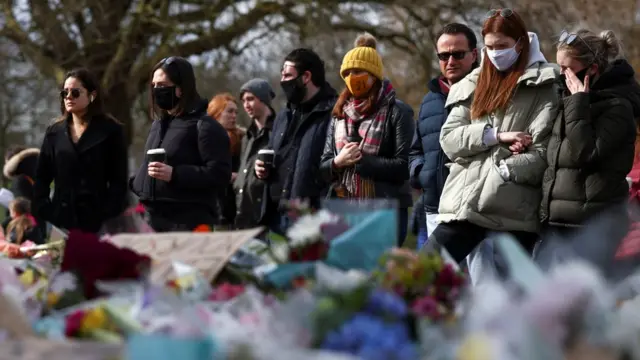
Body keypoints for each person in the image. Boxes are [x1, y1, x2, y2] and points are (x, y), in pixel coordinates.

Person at [428, 9, 559, 262]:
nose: (496, 53)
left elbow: (542, 153)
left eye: (502, 46)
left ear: (520, 43)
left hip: (514, 211)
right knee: (422, 272)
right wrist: (496, 136)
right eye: (489, 46)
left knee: (513, 296)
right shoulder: (473, 82)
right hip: (466, 203)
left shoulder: (545, 86)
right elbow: (450, 139)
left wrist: (504, 171)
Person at [540, 29, 640, 238]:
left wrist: (578, 104)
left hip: (590, 226)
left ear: (592, 69)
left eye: (567, 68)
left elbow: (585, 153)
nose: (561, 74)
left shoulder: (617, 106)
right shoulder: (568, 100)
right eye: (559, 66)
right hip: (556, 223)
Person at [320, 33, 414, 245]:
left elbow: (404, 165)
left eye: (359, 71)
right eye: (348, 73)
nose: (353, 77)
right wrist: (338, 162)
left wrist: (363, 162)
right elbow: (323, 165)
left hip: (385, 211)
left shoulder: (397, 112)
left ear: (374, 75)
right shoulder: (338, 115)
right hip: (343, 209)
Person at [130, 56, 231, 232]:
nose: (156, 91)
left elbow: (220, 175)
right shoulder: (158, 124)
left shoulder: (205, 126)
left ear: (181, 89)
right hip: (150, 220)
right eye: (153, 86)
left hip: (186, 224)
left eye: (162, 85)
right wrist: (136, 183)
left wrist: (176, 174)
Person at [409, 23, 479, 246]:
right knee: (437, 279)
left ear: (474, 54)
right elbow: (415, 150)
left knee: (481, 282)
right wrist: (422, 174)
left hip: (474, 213)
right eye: (444, 55)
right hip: (434, 207)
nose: (450, 61)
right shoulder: (429, 100)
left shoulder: (489, 95)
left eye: (458, 54)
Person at [33, 68, 128, 234]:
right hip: (60, 219)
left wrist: (108, 213)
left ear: (92, 95)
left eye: (75, 92)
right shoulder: (54, 132)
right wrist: (43, 207)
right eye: (65, 93)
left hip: (98, 222)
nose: (69, 97)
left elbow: (118, 181)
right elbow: (42, 176)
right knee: (60, 260)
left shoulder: (110, 131)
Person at [254, 48, 337, 234]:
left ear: (306, 76)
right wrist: (261, 167)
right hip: (275, 215)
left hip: (310, 218)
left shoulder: (333, 113)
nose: (283, 81)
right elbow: (276, 151)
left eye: (288, 75)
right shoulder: (284, 115)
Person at [234, 79, 276, 229]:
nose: (246, 105)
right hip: (242, 218)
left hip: (267, 220)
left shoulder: (278, 133)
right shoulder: (247, 137)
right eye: (244, 100)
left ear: (264, 99)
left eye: (250, 99)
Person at [207, 93, 244, 228]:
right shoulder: (203, 139)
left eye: (236, 112)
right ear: (216, 112)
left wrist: (239, 176)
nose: (234, 116)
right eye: (229, 111)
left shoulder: (242, 138)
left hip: (236, 206)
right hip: (212, 206)